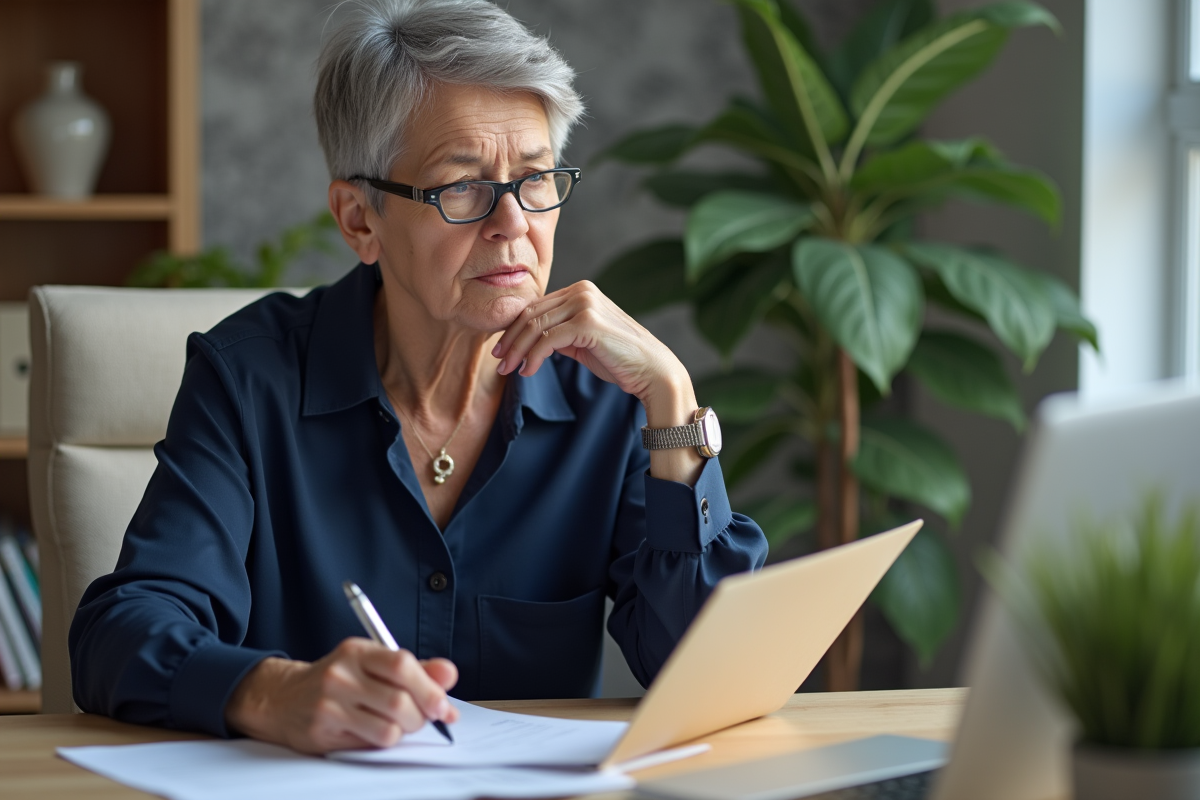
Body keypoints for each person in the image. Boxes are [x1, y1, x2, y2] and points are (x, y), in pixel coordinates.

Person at [69, 0, 767, 755]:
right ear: (360, 220)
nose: (513, 225)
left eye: (536, 181)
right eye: (461, 187)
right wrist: (271, 691)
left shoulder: (610, 397)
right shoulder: (249, 380)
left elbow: (708, 672)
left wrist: (672, 397)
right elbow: (121, 631)